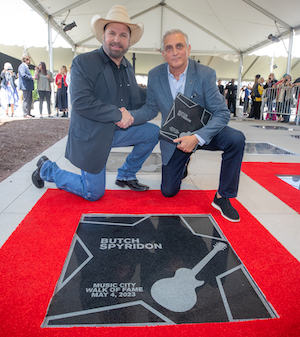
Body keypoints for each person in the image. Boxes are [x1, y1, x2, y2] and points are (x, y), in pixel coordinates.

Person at [31, 5, 160, 201]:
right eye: (112, 33)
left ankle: (126, 174)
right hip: (93, 135)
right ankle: (47, 169)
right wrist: (119, 114)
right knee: (93, 193)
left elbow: (135, 96)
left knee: (152, 132)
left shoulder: (127, 66)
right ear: (103, 36)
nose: (117, 39)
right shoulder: (84, 62)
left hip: (116, 132)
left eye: (123, 35)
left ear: (129, 41)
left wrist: (160, 92)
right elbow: (81, 102)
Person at [126, 29, 245, 222]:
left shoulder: (205, 74)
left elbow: (222, 113)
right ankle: (183, 165)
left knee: (236, 139)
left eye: (179, 46)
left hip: (203, 132)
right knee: (168, 192)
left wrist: (197, 138)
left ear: (188, 49)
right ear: (163, 53)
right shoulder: (155, 75)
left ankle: (223, 197)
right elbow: (149, 110)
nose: (175, 52)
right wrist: (127, 116)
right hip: (174, 138)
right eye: (169, 48)